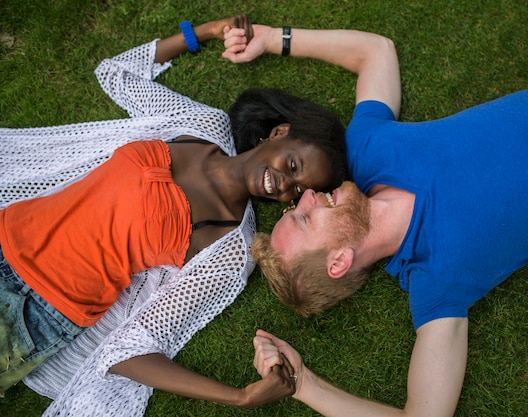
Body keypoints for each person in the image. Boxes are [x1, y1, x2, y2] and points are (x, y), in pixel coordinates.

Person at [222, 20, 528, 417]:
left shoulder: (367, 151)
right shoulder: (437, 283)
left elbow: (375, 52)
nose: (307, 195)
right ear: (339, 260)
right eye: (305, 219)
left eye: (296, 207)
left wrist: (275, 38)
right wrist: (305, 384)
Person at [0, 14, 348, 415]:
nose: (284, 185)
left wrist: (241, 396)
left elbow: (130, 348)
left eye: (298, 190)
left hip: (38, 313)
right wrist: (203, 32)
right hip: (10, 229)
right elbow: (116, 75)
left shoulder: (229, 248)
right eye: (293, 166)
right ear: (280, 133)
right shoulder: (201, 125)